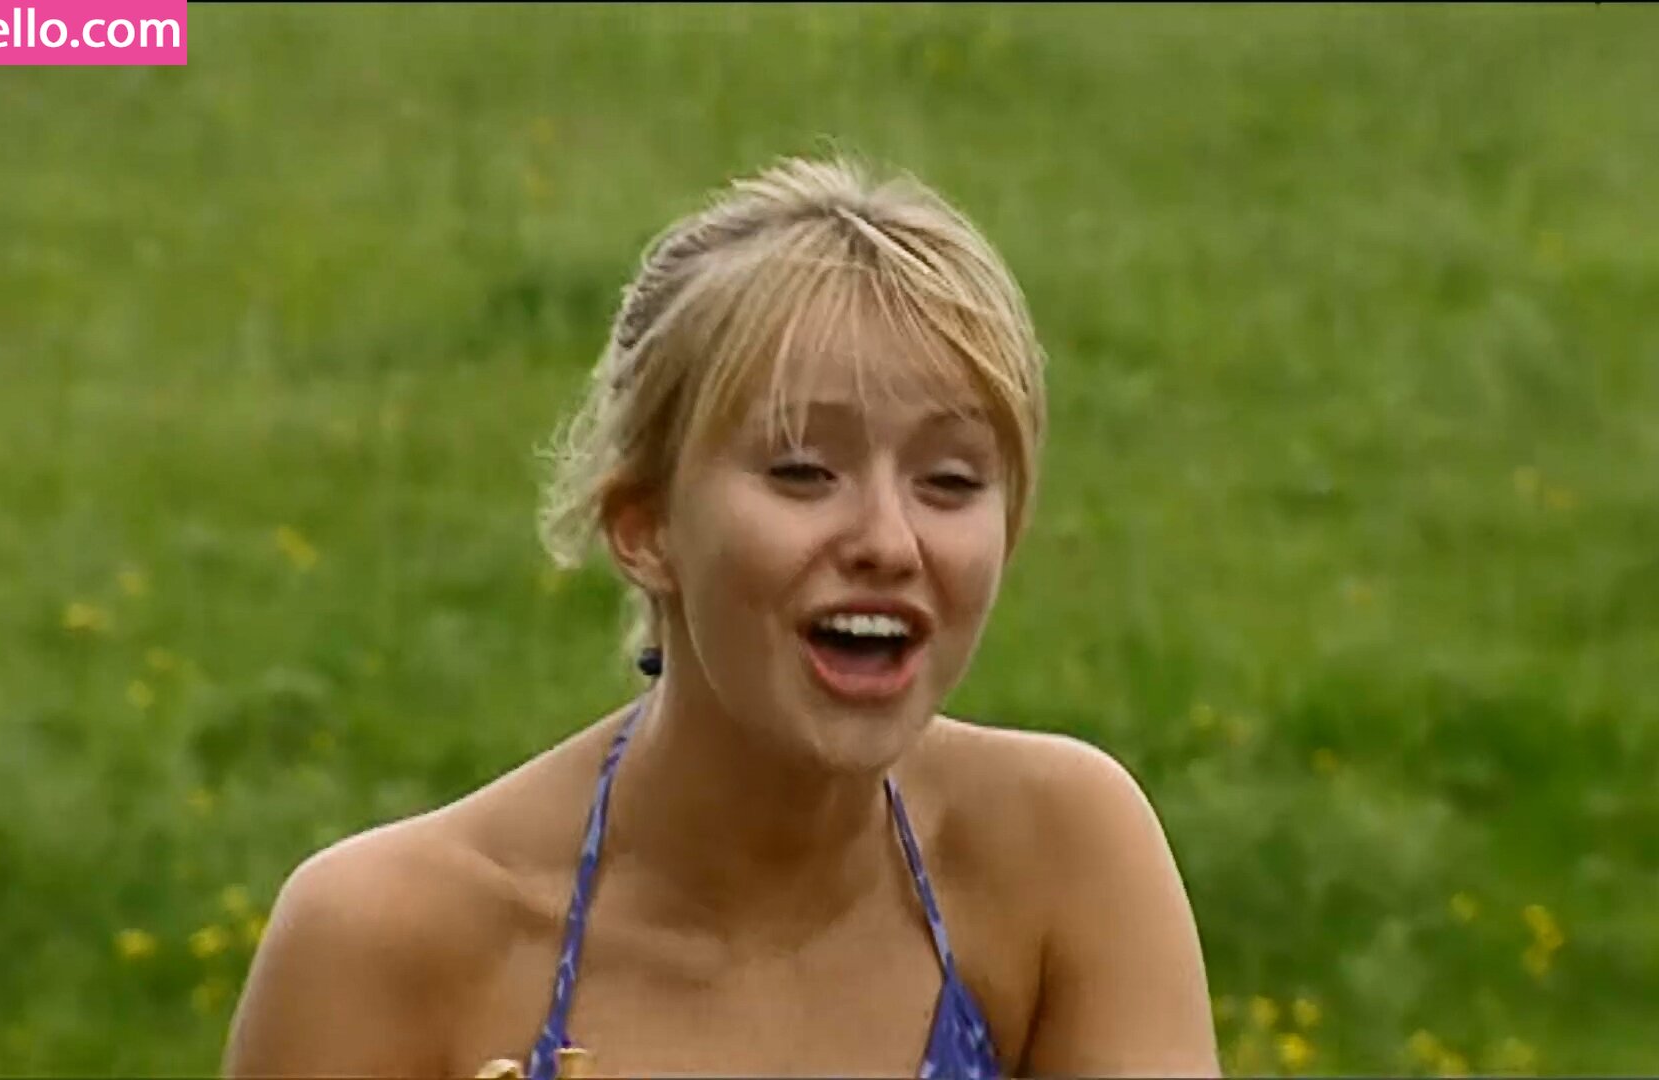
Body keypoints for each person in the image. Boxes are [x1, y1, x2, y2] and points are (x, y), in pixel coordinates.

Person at [223, 154, 1220, 1079]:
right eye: (803, 471)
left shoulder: (1059, 859)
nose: (890, 541)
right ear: (645, 526)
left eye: (950, 481)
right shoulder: (386, 945)